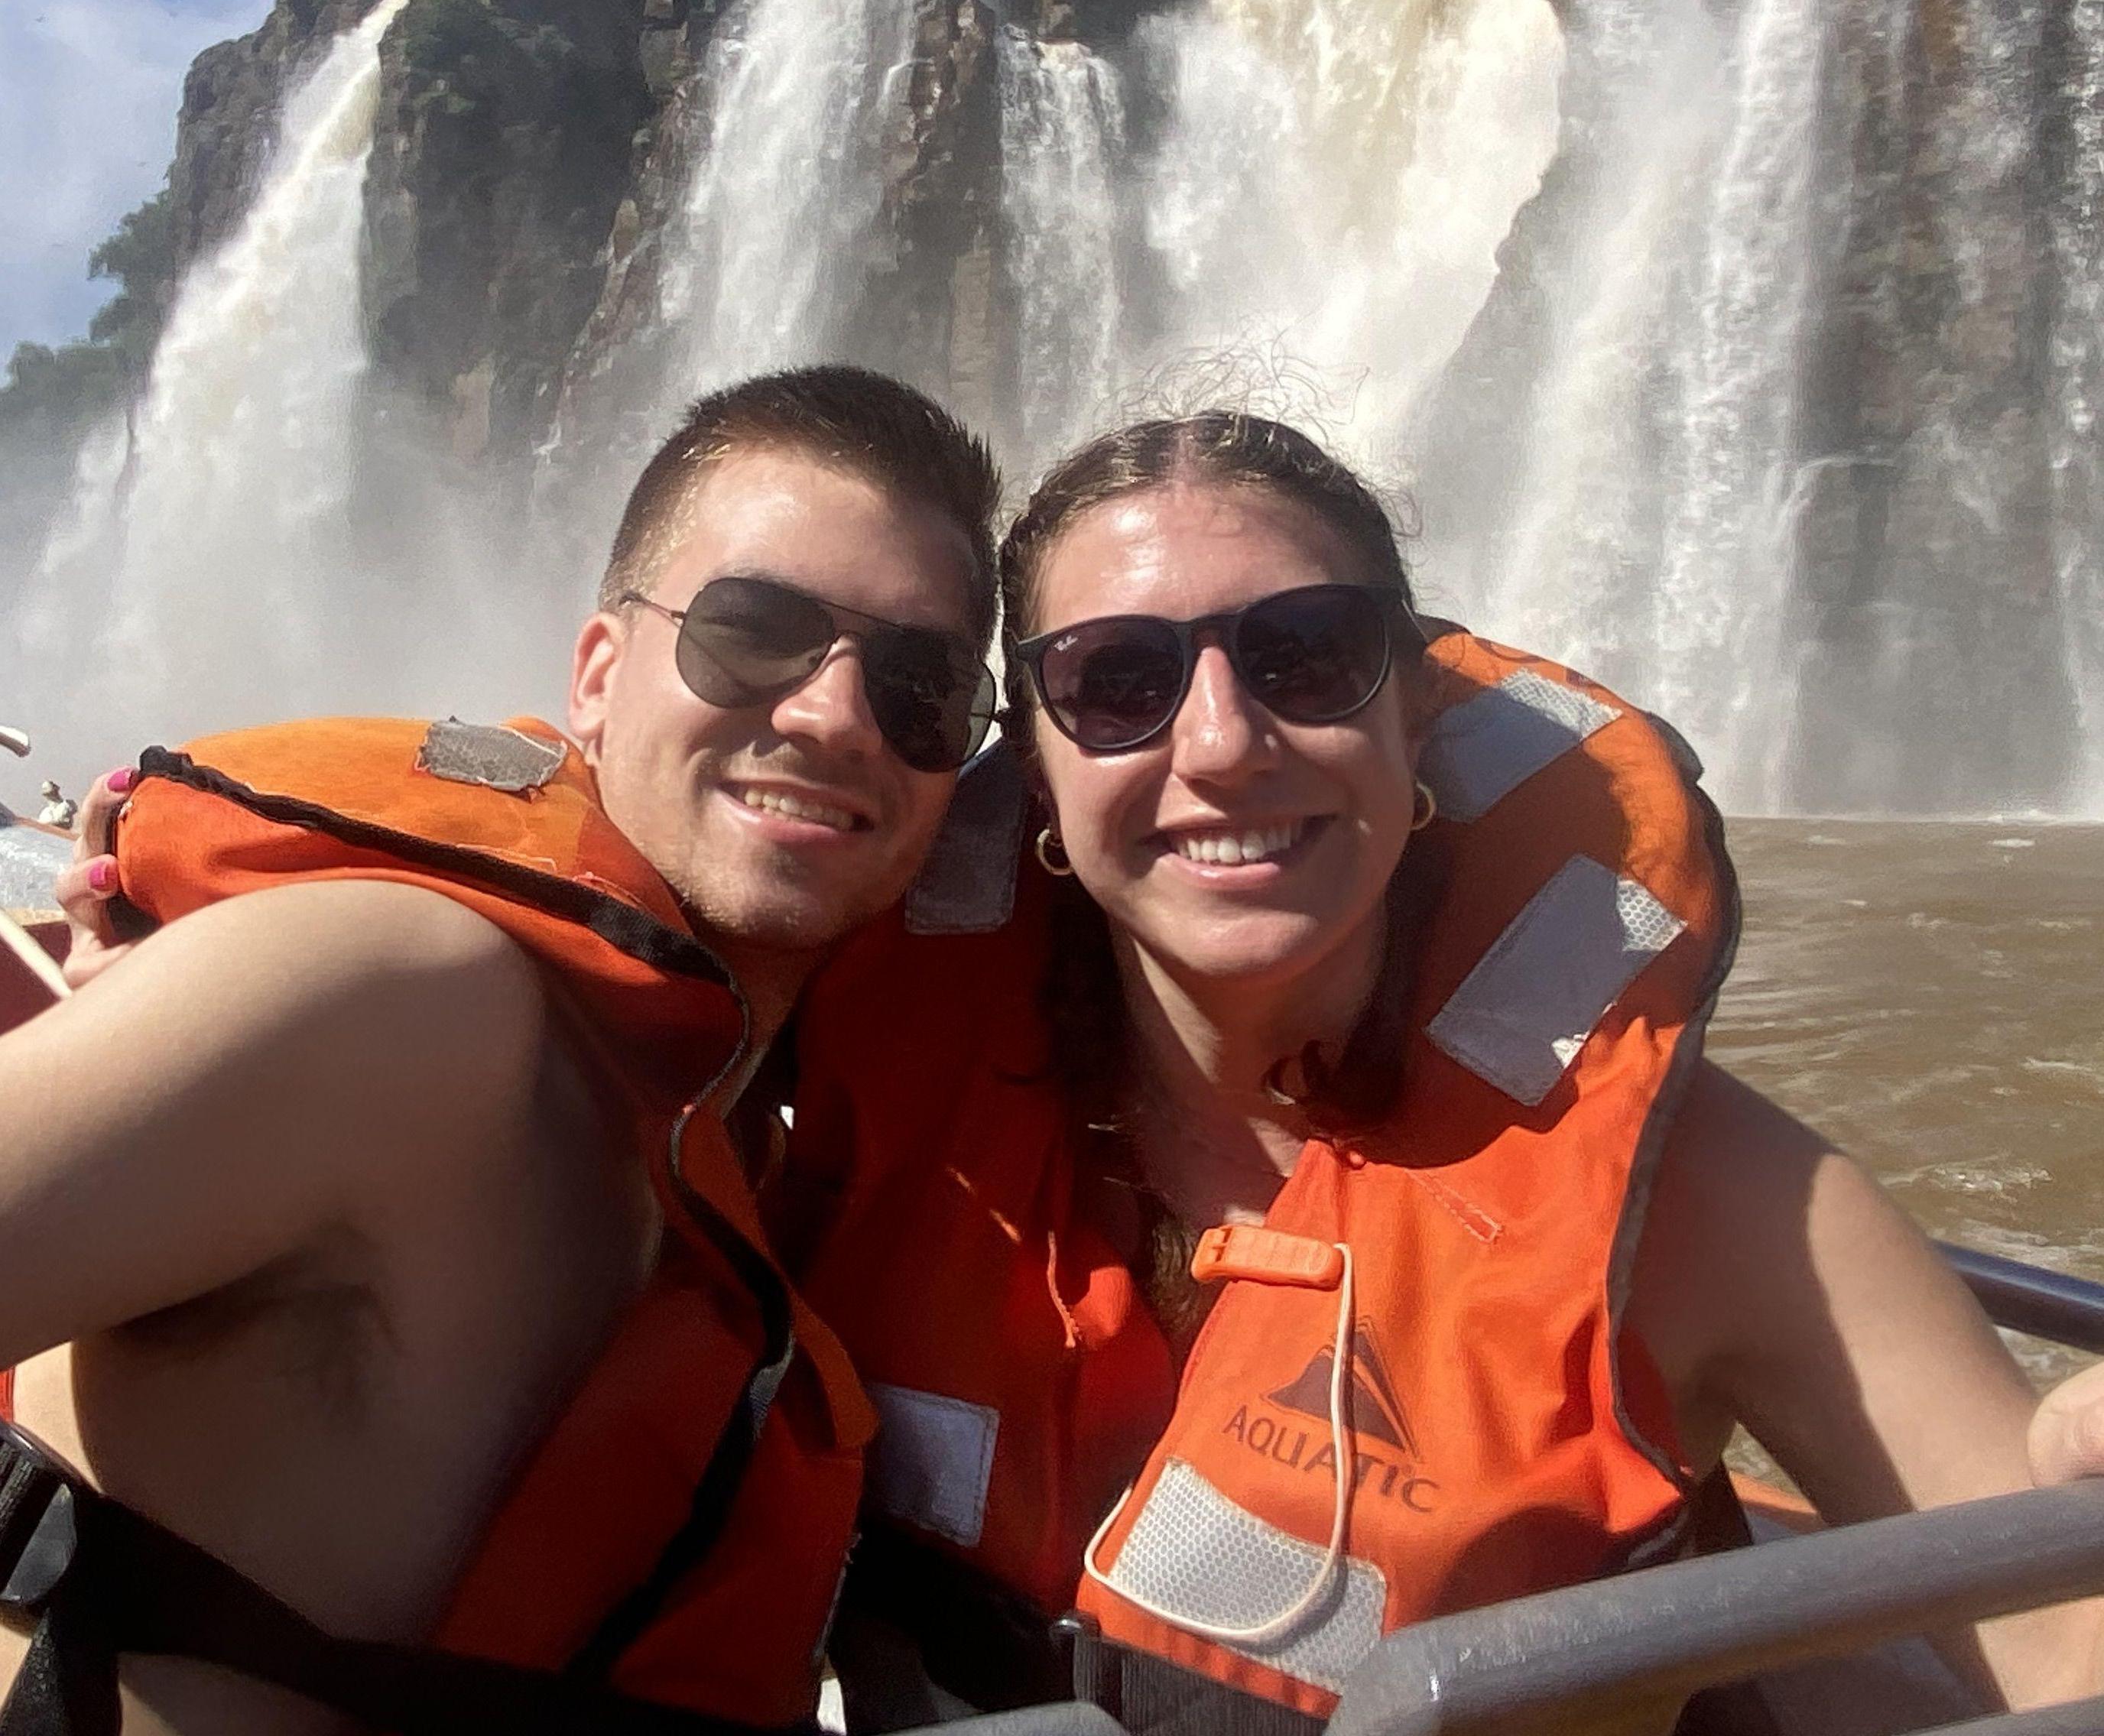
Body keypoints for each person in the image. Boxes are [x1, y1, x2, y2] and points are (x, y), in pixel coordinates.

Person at [778, 410, 2104, 1729]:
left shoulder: (1720, 1207)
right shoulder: (849, 1102)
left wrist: (2077, 1449)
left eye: (1307, 656)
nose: (1226, 742)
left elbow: (2072, 1637)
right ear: (1039, 775)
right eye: (1118, 680)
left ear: (1418, 714)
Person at [0, 365, 1005, 1735]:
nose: (835, 716)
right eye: (755, 630)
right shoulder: (409, 994)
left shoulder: (746, 1148)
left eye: (918, 682)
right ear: (597, 679)